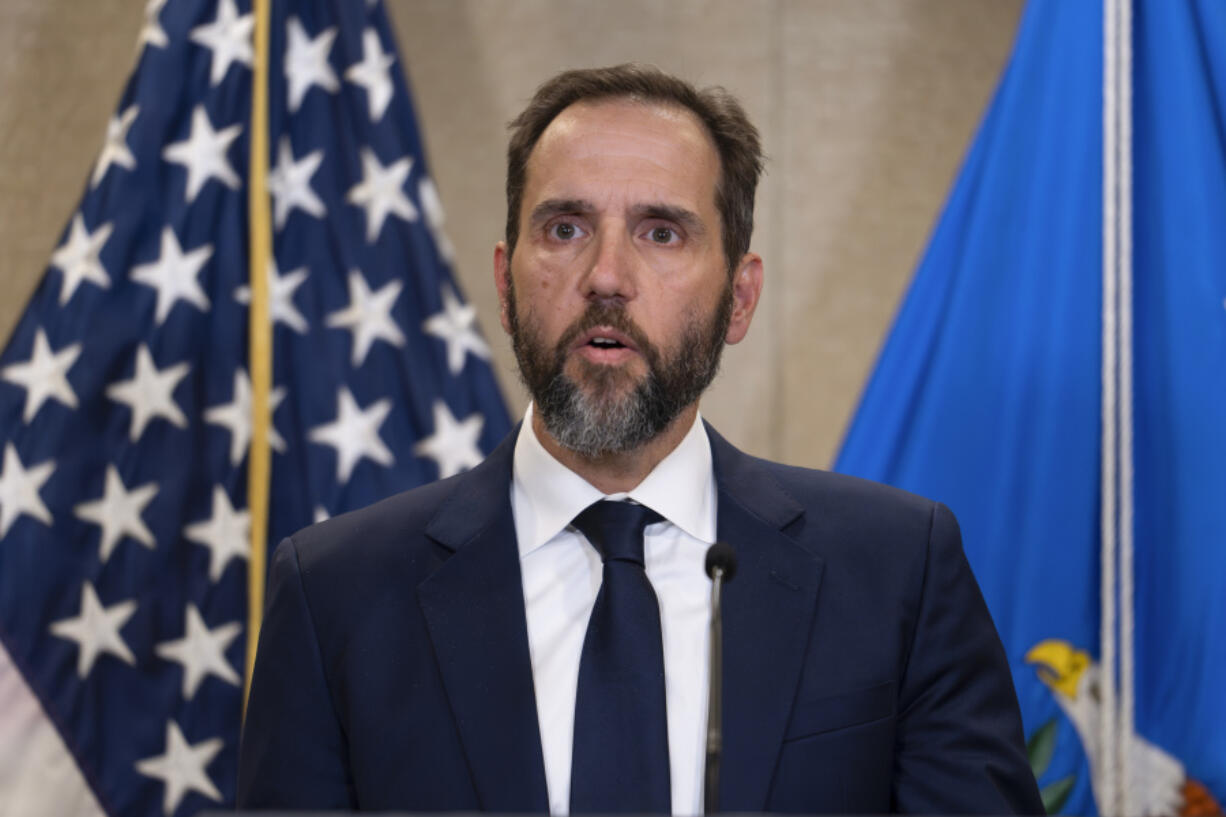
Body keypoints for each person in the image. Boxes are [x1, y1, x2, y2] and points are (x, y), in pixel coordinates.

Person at [237, 64, 1044, 815]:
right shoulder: (335, 596)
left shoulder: (899, 571)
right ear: (507, 285)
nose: (607, 275)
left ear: (740, 297)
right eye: (564, 228)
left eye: (661, 232)